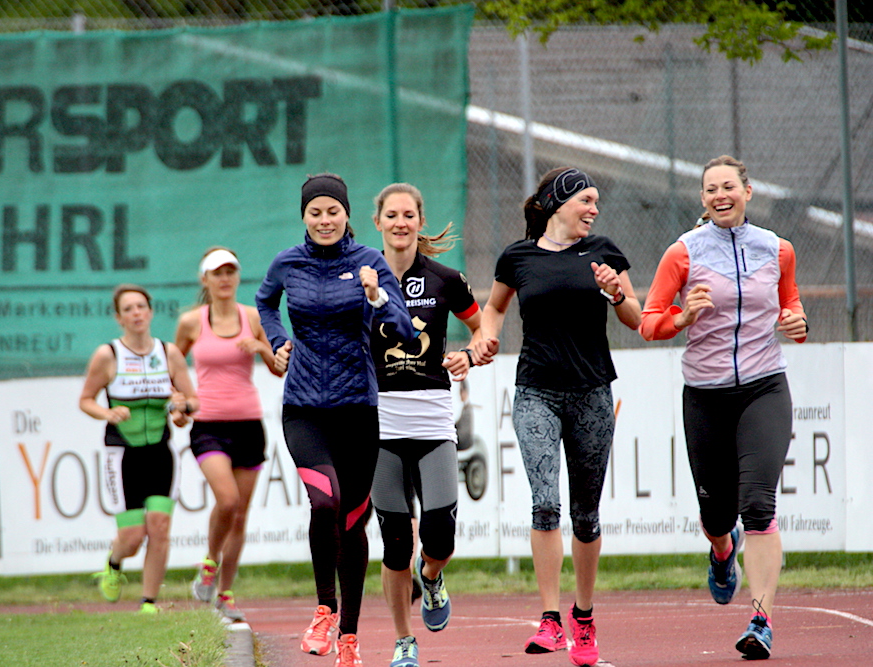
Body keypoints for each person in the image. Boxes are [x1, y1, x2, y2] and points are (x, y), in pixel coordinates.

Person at [470, 167, 641, 667]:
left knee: (586, 516)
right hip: (536, 394)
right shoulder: (517, 257)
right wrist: (485, 337)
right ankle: (549, 618)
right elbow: (494, 309)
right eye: (586, 199)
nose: (593, 209)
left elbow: (636, 315)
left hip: (591, 394)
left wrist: (614, 292)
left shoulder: (604, 252)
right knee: (545, 504)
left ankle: (583, 617)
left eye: (596, 202)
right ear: (557, 201)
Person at [640, 155, 808, 660]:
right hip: (707, 395)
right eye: (711, 188)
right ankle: (720, 550)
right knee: (717, 514)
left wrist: (796, 321)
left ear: (747, 192)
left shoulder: (777, 250)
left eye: (729, 186)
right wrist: (683, 315)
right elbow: (649, 322)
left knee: (758, 505)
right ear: (702, 198)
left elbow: (790, 304)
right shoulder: (683, 253)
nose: (721, 195)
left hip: (764, 387)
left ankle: (760, 621)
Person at [256, 173, 417, 667]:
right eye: (315, 212)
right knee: (324, 504)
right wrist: (277, 337)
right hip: (303, 408)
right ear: (304, 216)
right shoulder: (288, 263)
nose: (324, 220)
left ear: (346, 214)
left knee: (351, 522)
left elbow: (406, 333)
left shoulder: (369, 263)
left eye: (333, 211)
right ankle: (324, 609)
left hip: (357, 413)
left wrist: (375, 298)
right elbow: (264, 302)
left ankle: (349, 635)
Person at [368, 183, 481, 667]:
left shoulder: (444, 278)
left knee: (439, 535)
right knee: (395, 543)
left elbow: (484, 325)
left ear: (419, 220)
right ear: (378, 223)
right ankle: (403, 640)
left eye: (408, 214)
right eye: (391, 215)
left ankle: (431, 577)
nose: (400, 222)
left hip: (434, 421)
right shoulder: (359, 279)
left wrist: (470, 353)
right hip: (378, 426)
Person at [174, 247, 283, 622]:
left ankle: (226, 592)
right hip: (209, 426)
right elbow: (174, 366)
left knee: (240, 516)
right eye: (216, 273)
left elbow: (279, 368)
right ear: (205, 279)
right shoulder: (191, 322)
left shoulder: (252, 318)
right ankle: (209, 562)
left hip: (249, 425)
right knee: (227, 500)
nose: (224, 279)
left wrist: (261, 348)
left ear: (237, 277)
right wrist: (179, 401)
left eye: (230, 272)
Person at [80, 284, 198, 614]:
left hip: (160, 452)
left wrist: (180, 408)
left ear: (151, 312)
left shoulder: (168, 352)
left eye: (141, 307)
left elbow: (191, 401)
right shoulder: (108, 355)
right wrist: (108, 413)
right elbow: (85, 400)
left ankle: (148, 602)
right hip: (122, 453)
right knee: (133, 537)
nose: (136, 313)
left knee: (159, 527)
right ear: (119, 317)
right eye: (128, 309)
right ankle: (114, 564)